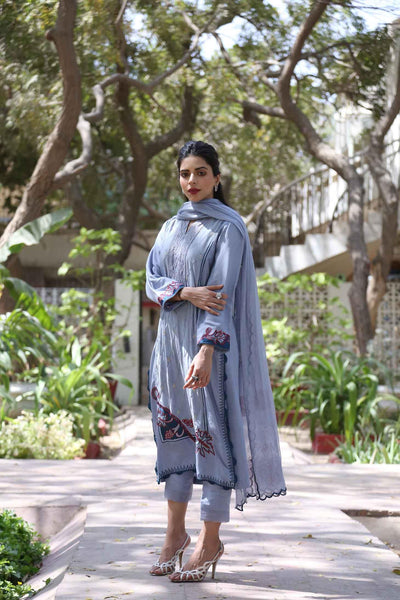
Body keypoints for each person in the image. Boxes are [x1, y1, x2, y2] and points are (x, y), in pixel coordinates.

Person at [145, 140, 286, 583]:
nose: (192, 181)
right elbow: (151, 280)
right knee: (175, 439)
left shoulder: (229, 229)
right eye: (185, 173)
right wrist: (185, 291)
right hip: (170, 350)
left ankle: (210, 541)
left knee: (212, 439)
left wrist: (206, 351)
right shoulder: (169, 227)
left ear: (217, 178)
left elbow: (221, 296)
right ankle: (174, 536)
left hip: (210, 351)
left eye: (201, 173)